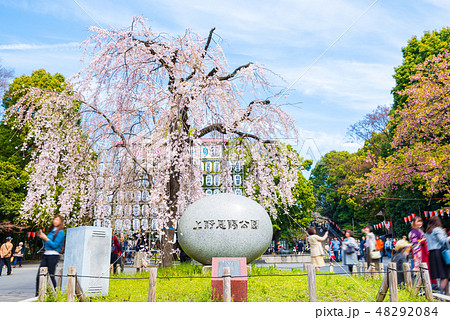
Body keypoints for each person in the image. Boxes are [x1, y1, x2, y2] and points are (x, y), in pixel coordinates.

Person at [35, 215, 65, 295]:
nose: (55, 221)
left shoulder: (61, 232)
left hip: (53, 255)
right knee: (39, 275)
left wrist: (45, 238)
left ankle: (54, 294)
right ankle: (38, 295)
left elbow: (55, 245)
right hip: (46, 254)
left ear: (61, 222)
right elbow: (47, 243)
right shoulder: (51, 231)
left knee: (51, 276)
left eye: (57, 220)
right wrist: (43, 237)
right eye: (54, 219)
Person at [425, 216, 450, 295]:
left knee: (444, 275)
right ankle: (439, 295)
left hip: (432, 254)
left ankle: (447, 295)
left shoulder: (428, 232)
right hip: (440, 253)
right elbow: (443, 240)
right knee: (445, 275)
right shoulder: (437, 229)